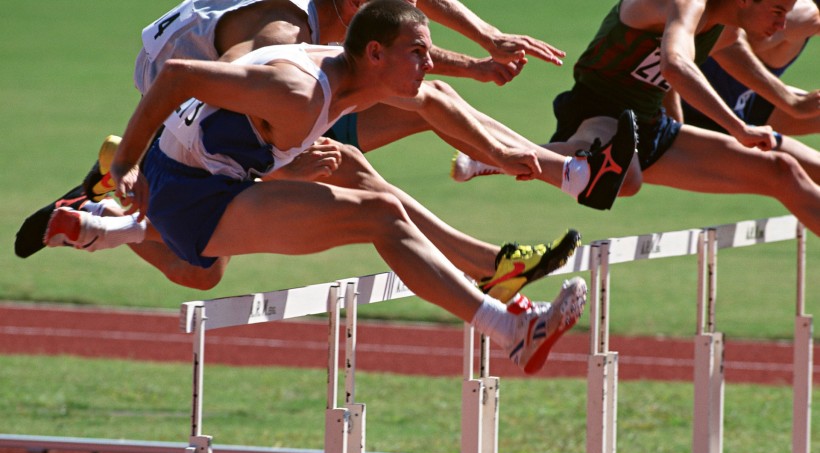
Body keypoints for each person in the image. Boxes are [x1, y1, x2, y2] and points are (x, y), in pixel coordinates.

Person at [105, 0, 588, 374]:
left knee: (357, 172)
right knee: (379, 216)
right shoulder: (298, 91)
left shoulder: (353, 72)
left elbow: (434, 101)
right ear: (375, 53)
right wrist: (126, 161)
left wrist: (500, 154)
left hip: (224, 168)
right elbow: (177, 76)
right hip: (189, 191)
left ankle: (503, 285)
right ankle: (510, 330)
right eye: (418, 55)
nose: (427, 65)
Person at [16, 0, 637, 281]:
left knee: (424, 108)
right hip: (218, 124)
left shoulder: (348, 29)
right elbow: (219, 102)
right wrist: (276, 156)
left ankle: (518, 233)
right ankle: (118, 177)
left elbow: (405, 32)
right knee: (208, 269)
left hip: (279, 112)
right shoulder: (277, 35)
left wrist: (484, 44)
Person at [451, 0, 820, 237]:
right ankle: (496, 156)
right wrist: (738, 128)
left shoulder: (726, 28)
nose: (783, 21)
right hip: (600, 105)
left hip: (648, 123)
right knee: (625, 179)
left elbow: (733, 58)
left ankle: (504, 156)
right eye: (777, 10)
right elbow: (674, 65)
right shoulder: (688, 4)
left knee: (782, 172)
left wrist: (792, 103)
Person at [679, 0, 819, 136]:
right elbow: (731, 48)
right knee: (781, 160)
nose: (780, 24)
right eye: (778, 12)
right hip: (704, 109)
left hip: (738, 103)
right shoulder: (805, 14)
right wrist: (793, 102)